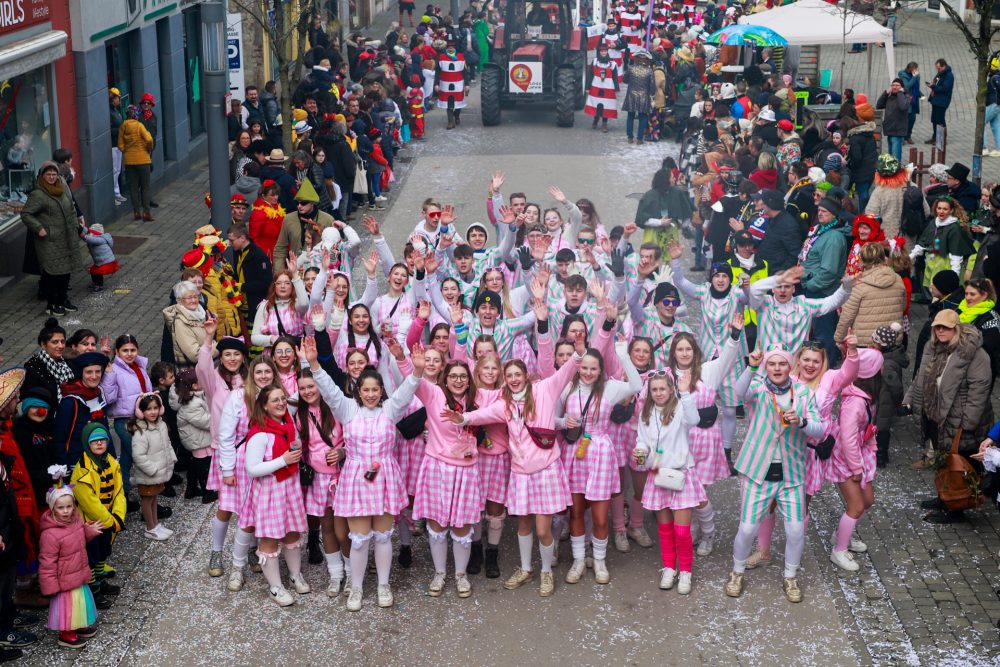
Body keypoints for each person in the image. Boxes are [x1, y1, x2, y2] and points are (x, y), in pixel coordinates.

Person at [305, 336, 420, 611]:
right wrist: (313, 365)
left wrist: (416, 371)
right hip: (356, 478)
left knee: (382, 536)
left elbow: (407, 391)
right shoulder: (348, 410)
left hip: (384, 477)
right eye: (365, 389)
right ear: (358, 390)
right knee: (359, 540)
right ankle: (356, 588)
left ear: (381, 391)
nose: (370, 394)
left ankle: (383, 585)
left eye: (375, 389)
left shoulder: (390, 411)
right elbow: (330, 390)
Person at [725, 346, 823, 603]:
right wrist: (751, 366)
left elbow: (819, 429)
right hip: (757, 470)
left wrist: (801, 421)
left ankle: (790, 576)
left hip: (791, 473)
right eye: (772, 364)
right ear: (766, 367)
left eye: (782, 364)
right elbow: (738, 393)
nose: (777, 368)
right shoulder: (758, 387)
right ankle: (737, 572)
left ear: (790, 367)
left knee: (795, 529)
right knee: (747, 529)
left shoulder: (802, 393)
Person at [903, 310, 993, 523]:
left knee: (959, 464)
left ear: (957, 328)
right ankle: (944, 497)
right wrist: (909, 399)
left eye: (946, 327)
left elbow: (979, 389)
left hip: (960, 419)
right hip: (937, 415)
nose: (941, 331)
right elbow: (920, 377)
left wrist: (968, 422)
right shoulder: (932, 347)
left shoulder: (975, 354)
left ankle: (957, 507)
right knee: (943, 460)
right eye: (937, 327)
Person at [636, 365, 701, 594]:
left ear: (671, 389)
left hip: (680, 474)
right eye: (654, 389)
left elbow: (695, 419)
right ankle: (668, 567)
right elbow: (641, 441)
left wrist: (685, 393)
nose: (659, 393)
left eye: (663, 388)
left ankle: (685, 571)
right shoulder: (645, 414)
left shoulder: (681, 409)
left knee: (681, 531)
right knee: (664, 528)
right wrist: (640, 453)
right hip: (658, 475)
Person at [827, 349, 883, 572]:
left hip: (859, 456)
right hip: (846, 460)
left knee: (867, 500)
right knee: (857, 505)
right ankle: (839, 550)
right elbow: (848, 438)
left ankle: (843, 533)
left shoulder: (866, 398)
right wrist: (856, 468)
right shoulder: (855, 403)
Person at [38, 471, 101, 650]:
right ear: (52, 509)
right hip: (64, 581)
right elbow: (47, 562)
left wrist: (89, 532)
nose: (66, 511)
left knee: (80, 603)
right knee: (68, 608)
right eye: (60, 508)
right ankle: (66, 633)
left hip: (78, 574)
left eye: (69, 506)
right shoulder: (50, 534)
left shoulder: (76, 521)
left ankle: (80, 624)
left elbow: (79, 538)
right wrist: (50, 585)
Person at [70, 423, 125, 610]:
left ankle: (100, 582)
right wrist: (109, 520)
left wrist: (118, 515)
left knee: (103, 553)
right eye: (94, 441)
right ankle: (93, 589)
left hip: (108, 519)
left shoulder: (111, 462)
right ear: (87, 444)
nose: (99, 444)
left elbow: (118, 491)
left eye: (102, 440)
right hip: (91, 522)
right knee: (91, 556)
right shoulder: (82, 470)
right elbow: (88, 501)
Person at [21, 163, 83, 315]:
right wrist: (39, 228)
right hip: (49, 240)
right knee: (52, 273)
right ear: (42, 176)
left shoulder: (62, 188)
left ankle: (63, 300)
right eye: (48, 175)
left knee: (66, 270)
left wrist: (76, 225)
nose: (51, 177)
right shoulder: (38, 194)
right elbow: (26, 214)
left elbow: (71, 208)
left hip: (67, 237)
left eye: (54, 174)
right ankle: (52, 304)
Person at [835, 243, 907, 346]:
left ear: (862, 261)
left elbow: (847, 317)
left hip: (866, 342)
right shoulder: (898, 279)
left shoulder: (859, 285)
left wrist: (839, 339)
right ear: (883, 258)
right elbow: (903, 307)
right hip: (892, 339)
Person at [128, 393, 176, 541]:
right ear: (141, 412)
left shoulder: (160, 425)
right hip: (149, 474)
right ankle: (150, 527)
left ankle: (155, 524)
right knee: (147, 500)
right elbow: (138, 456)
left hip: (158, 472)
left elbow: (167, 444)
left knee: (154, 498)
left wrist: (172, 458)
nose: (153, 412)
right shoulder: (141, 431)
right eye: (149, 409)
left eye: (156, 408)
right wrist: (153, 470)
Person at [170, 369, 211, 500]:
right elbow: (205, 422)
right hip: (197, 441)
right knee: (203, 467)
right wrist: (218, 415)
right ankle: (207, 493)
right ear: (194, 385)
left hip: (198, 439)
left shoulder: (193, 397)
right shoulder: (191, 403)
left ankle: (191, 489)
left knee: (194, 466)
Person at [117, 106, 155, 221]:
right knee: (145, 187)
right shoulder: (139, 126)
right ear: (135, 114)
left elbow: (120, 144)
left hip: (129, 161)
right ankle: (146, 213)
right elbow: (149, 139)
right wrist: (148, 149)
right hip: (143, 160)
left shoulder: (123, 126)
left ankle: (136, 213)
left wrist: (126, 151)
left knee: (133, 187)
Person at [23, 319, 74, 403]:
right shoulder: (33, 369)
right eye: (55, 342)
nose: (60, 346)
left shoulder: (68, 363)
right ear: (43, 344)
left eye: (62, 341)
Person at [585, 43, 620, 132]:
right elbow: (590, 75)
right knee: (597, 104)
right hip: (596, 86)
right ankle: (595, 120)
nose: (603, 53)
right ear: (599, 52)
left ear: (607, 51)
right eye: (602, 51)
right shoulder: (595, 61)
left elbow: (615, 77)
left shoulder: (612, 64)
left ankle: (604, 123)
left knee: (606, 105)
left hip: (608, 87)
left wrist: (616, 88)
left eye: (605, 51)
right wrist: (588, 87)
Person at [622, 50, 656, 145]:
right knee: (643, 117)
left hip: (631, 95)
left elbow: (624, 80)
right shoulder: (649, 71)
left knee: (630, 116)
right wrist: (652, 95)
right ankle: (640, 139)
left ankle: (630, 137)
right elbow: (652, 87)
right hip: (644, 96)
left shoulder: (631, 68)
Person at [876, 79, 911, 162]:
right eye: (893, 85)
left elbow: (903, 107)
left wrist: (900, 93)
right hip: (889, 129)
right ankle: (892, 171)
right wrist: (885, 93)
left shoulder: (905, 96)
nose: (894, 87)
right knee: (891, 155)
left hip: (898, 130)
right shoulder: (889, 96)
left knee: (895, 157)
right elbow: (879, 105)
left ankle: (896, 171)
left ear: (901, 87)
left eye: (897, 85)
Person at [435, 40, 467, 130]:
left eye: (452, 48)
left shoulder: (461, 57)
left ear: (455, 48)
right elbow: (437, 72)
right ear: (447, 49)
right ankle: (450, 122)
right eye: (449, 48)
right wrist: (436, 84)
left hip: (458, 84)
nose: (451, 50)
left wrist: (467, 84)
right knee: (449, 104)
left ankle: (456, 116)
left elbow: (465, 71)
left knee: (458, 104)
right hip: (445, 85)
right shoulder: (441, 57)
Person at [926, 58, 953, 145]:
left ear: (943, 66)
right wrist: (932, 84)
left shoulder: (949, 75)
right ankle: (935, 137)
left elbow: (945, 89)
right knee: (934, 119)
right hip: (936, 100)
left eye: (939, 68)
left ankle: (942, 139)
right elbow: (936, 82)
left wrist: (933, 86)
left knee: (940, 120)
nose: (937, 70)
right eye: (937, 68)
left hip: (942, 100)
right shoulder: (940, 73)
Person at [109, 88, 126, 205]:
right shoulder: (110, 113)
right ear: (113, 99)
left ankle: (117, 193)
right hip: (114, 145)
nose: (119, 100)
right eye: (117, 98)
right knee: (115, 171)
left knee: (118, 170)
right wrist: (121, 131)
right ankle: (115, 194)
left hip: (118, 144)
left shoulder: (116, 110)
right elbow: (109, 130)